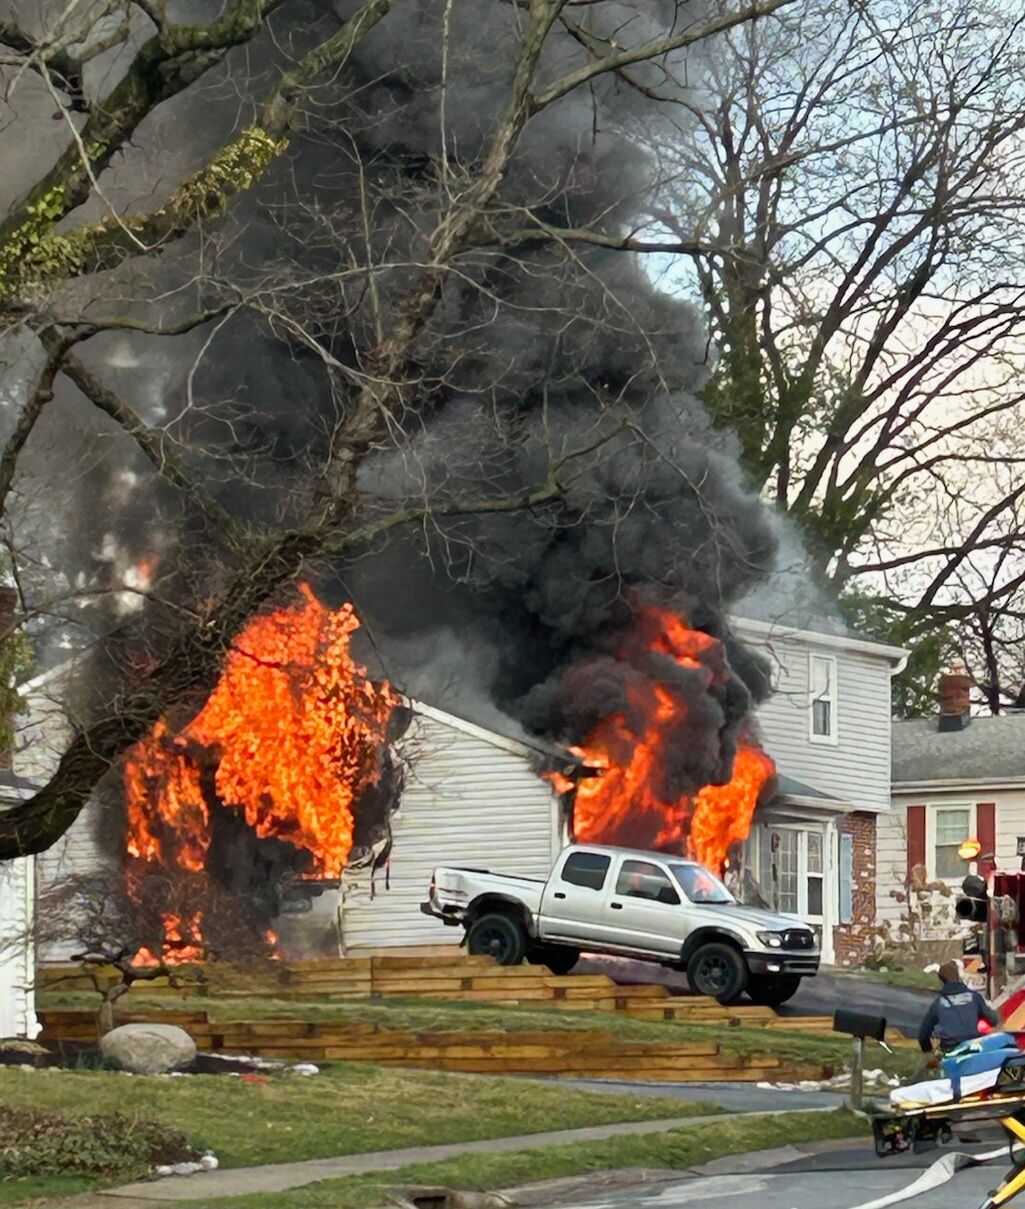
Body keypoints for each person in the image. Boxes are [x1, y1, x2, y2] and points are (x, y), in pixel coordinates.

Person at [917, 960, 1000, 1054]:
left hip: (950, 1049)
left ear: (942, 981)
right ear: (958, 977)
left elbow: (923, 1034)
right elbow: (994, 1020)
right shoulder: (974, 997)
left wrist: (928, 1051)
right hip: (972, 1047)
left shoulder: (939, 1003)